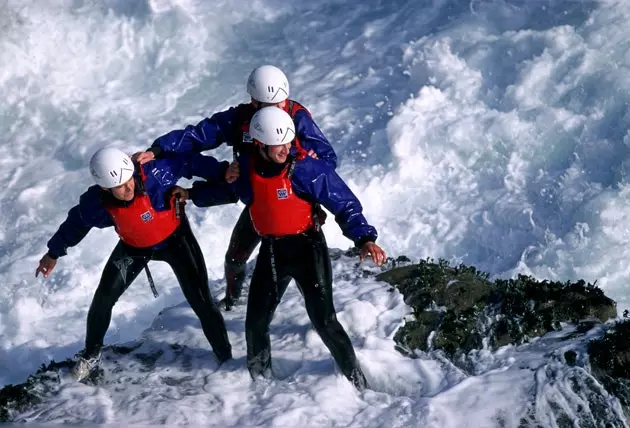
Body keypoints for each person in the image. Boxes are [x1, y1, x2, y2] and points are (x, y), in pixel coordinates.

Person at [185, 107, 386, 391]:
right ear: (259, 144)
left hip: (308, 248)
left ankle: (358, 383)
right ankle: (260, 384)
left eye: (289, 141)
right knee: (255, 322)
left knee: (325, 322)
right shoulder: (246, 169)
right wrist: (192, 194)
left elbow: (343, 202)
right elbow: (228, 192)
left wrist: (364, 237)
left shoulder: (306, 169)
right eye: (279, 144)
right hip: (272, 251)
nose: (286, 148)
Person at [133, 65, 337, 309]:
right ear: (253, 101)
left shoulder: (298, 117)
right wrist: (157, 150)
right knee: (234, 258)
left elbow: (327, 161)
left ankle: (321, 317)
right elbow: (199, 135)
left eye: (280, 104)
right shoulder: (239, 119)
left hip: (293, 202)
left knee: (307, 272)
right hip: (256, 200)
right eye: (269, 105)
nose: (277, 111)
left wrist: (299, 166)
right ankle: (232, 301)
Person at [35, 147, 234, 381]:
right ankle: (90, 356)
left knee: (201, 301)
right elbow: (76, 223)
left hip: (176, 241)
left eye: (129, 180)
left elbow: (188, 160)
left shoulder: (157, 173)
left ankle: (225, 357)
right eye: (119, 186)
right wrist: (53, 253)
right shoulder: (95, 203)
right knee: (103, 299)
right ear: (104, 188)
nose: (128, 187)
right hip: (134, 248)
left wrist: (222, 172)